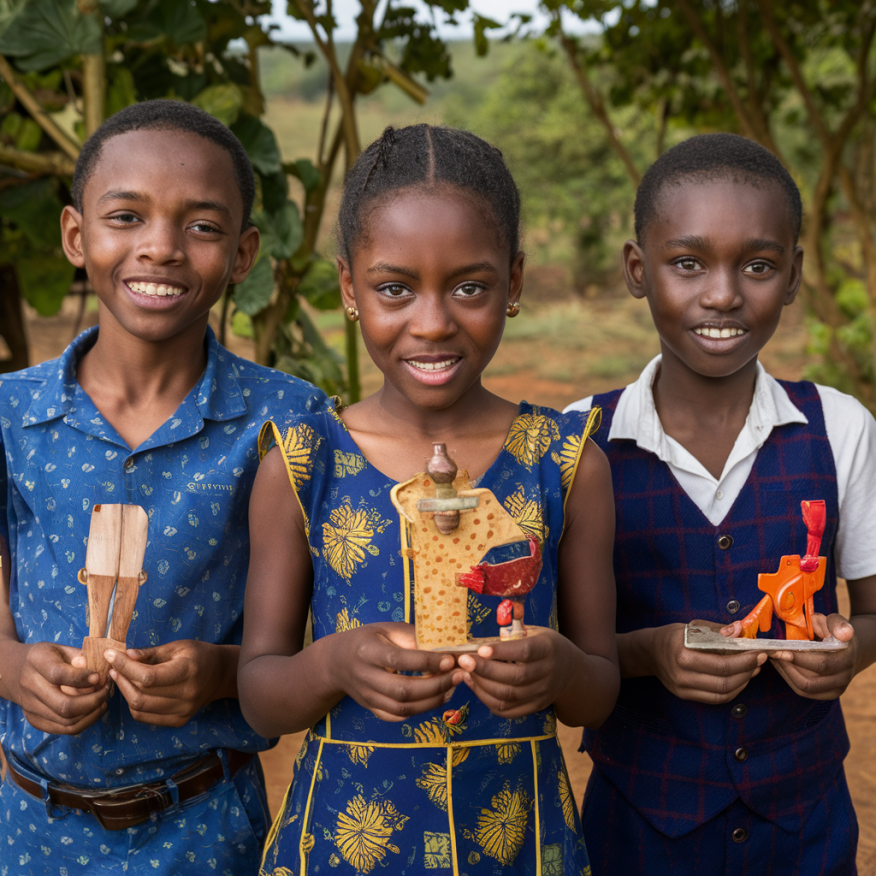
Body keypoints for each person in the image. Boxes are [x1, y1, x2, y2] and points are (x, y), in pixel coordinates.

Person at [238, 124, 619, 875]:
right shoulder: (303, 463)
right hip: (341, 851)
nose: (434, 320)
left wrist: (558, 670)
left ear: (513, 282)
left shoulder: (567, 462)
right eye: (394, 288)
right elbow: (260, 696)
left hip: (521, 847)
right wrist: (335, 665)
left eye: (469, 286)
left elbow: (599, 691)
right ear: (350, 289)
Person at [0, 100, 325, 874]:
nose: (161, 248)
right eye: (126, 216)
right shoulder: (9, 414)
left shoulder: (288, 420)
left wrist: (217, 673)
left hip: (208, 824)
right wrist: (10, 670)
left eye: (202, 227)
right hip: (30, 828)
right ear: (77, 238)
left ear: (245, 254)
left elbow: (331, 627)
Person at [565, 133, 876, 874]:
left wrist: (849, 651)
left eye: (759, 265)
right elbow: (554, 649)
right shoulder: (576, 442)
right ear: (639, 271)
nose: (723, 293)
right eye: (688, 263)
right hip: (638, 831)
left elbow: (873, 613)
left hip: (805, 828)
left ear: (794, 275)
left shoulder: (841, 429)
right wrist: (649, 654)